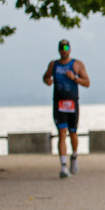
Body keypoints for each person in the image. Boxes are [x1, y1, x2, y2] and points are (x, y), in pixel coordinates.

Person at [42, 39, 90, 178]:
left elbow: (87, 82)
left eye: (66, 47)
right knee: (61, 132)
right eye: (61, 47)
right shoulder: (53, 65)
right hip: (59, 103)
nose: (64, 49)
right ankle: (63, 166)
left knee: (73, 133)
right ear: (58, 50)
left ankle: (74, 157)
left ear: (70, 49)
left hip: (72, 103)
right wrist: (48, 81)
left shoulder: (77, 64)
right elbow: (45, 77)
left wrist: (75, 78)